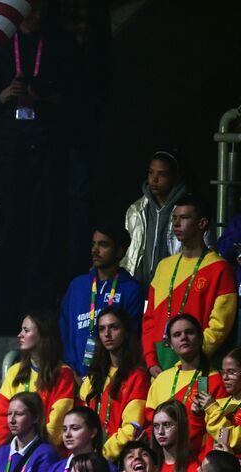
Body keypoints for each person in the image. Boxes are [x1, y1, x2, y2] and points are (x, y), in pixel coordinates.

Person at [143, 197, 237, 376]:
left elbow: (220, 325)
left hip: (199, 367)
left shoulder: (219, 268)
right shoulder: (164, 266)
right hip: (160, 366)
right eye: (174, 218)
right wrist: (150, 360)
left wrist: (191, 358)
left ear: (202, 223)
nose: (176, 224)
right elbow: (149, 319)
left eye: (184, 218)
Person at [60, 223, 146, 376]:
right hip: (75, 376)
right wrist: (71, 370)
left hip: (113, 377)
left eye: (103, 245)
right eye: (93, 244)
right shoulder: (77, 286)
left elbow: (132, 336)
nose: (95, 250)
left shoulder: (130, 289)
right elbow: (64, 330)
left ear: (120, 251)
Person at [78, 308, 150, 460]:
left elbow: (132, 427)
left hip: (118, 460)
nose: (107, 334)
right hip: (89, 455)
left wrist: (103, 454)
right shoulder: (94, 375)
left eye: (114, 327)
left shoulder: (137, 376)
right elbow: (80, 416)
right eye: (102, 329)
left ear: (126, 331)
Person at [0, 313, 75, 448]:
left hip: (47, 453)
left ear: (43, 336)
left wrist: (36, 451)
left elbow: (58, 421)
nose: (20, 335)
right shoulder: (15, 371)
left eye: (26, 330)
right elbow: (1, 416)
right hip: (14, 452)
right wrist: (5, 450)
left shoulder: (63, 373)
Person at [147, 314, 223, 456]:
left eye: (189, 332)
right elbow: (150, 420)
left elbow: (221, 430)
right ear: (170, 344)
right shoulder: (161, 379)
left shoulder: (214, 380)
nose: (183, 337)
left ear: (200, 338)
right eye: (177, 334)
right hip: (165, 458)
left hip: (199, 460)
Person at [123, 150, 189, 281]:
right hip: (140, 288)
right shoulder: (136, 210)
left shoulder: (187, 210)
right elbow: (128, 253)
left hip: (174, 285)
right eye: (151, 172)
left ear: (175, 177)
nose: (154, 179)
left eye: (162, 174)